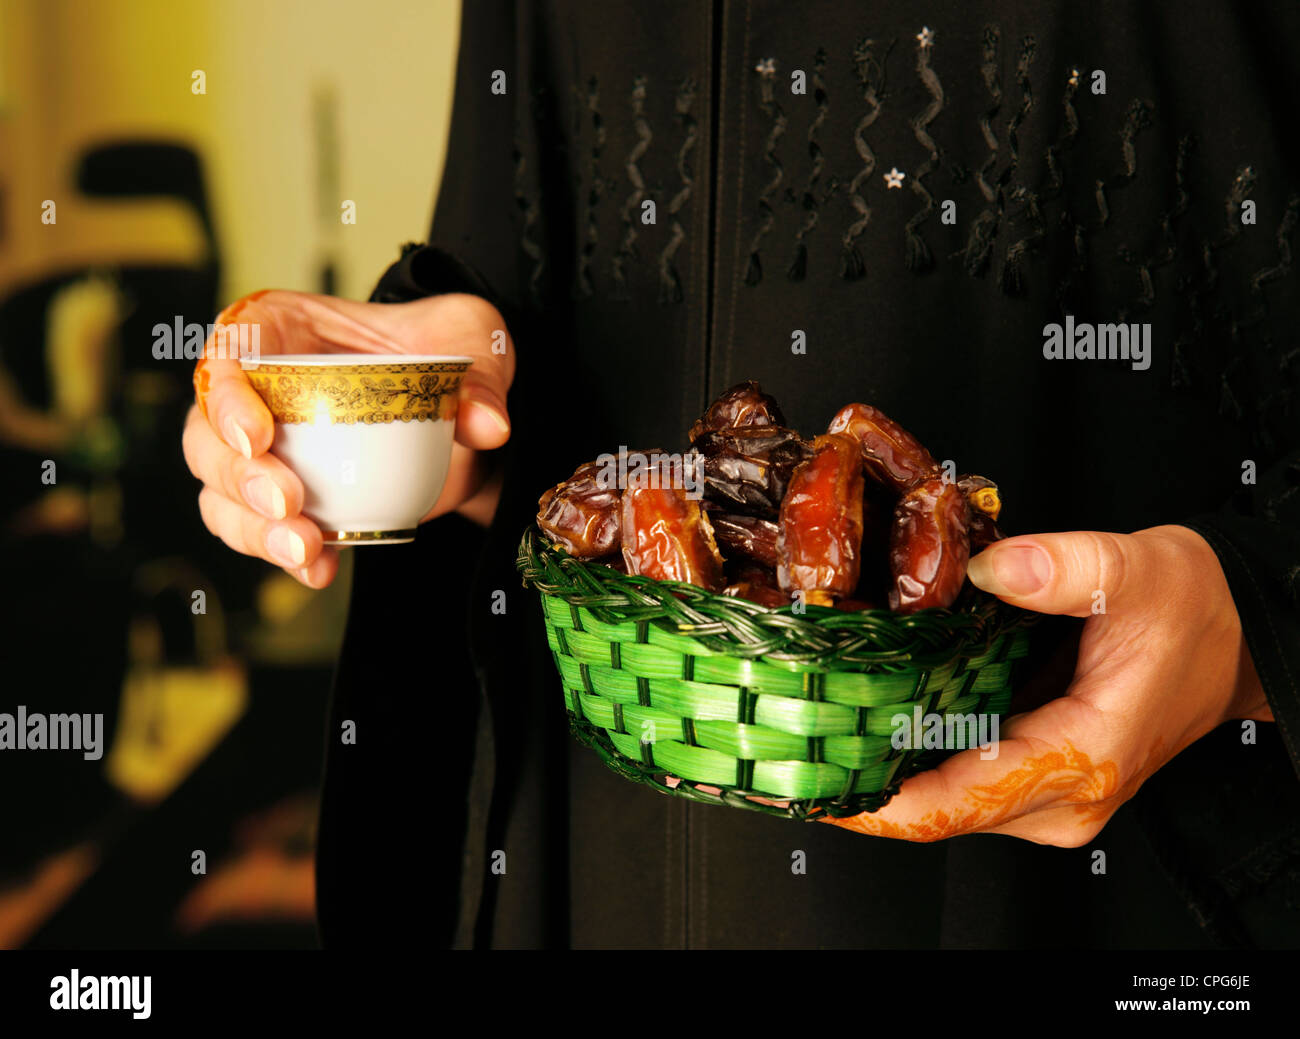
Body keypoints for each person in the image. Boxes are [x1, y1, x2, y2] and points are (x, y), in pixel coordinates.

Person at [183, 1, 1300, 948]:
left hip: (1108, 880)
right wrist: (421, 418)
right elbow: (518, 260)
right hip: (597, 845)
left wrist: (1251, 625)